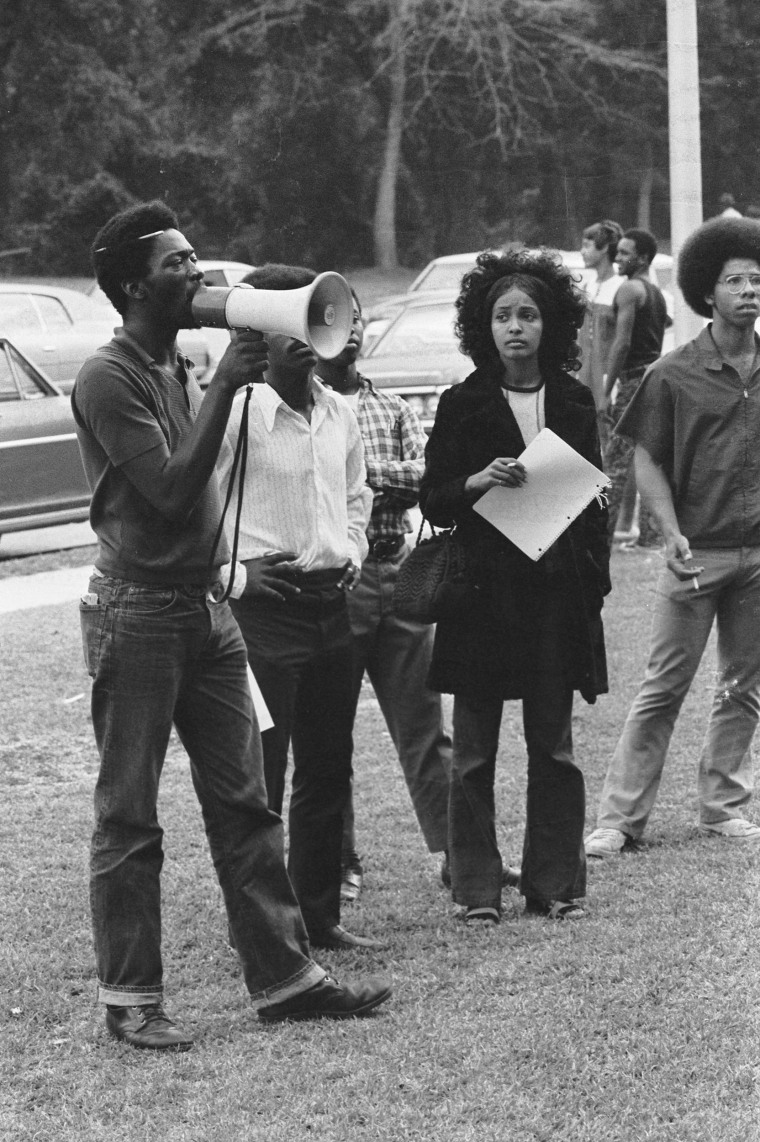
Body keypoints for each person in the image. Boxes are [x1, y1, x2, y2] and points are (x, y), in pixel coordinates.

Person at [72, 203, 390, 1051]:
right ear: (134, 285)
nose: (199, 275)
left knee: (245, 802)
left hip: (205, 610)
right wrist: (226, 386)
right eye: (178, 265)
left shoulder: (177, 364)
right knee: (130, 815)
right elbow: (172, 493)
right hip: (137, 613)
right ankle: (131, 998)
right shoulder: (109, 377)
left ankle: (285, 978)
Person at [420, 248, 611, 926]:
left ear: (550, 324)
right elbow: (434, 498)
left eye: (529, 314)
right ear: (484, 325)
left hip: (554, 597)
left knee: (552, 748)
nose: (516, 328)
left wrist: (593, 584)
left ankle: (554, 884)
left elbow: (589, 499)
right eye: (502, 315)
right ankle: (475, 889)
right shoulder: (462, 401)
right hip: (480, 597)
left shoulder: (575, 400)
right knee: (473, 751)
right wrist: (476, 482)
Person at [217, 263, 381, 953]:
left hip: (329, 610)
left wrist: (351, 555)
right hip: (266, 617)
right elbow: (202, 501)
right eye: (290, 325)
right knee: (263, 776)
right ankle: (263, 928)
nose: (307, 339)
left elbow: (357, 497)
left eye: (315, 322)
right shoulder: (235, 413)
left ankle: (319, 918)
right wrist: (237, 576)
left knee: (327, 767)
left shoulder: (338, 412)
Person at [585, 216, 760, 858]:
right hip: (696, 554)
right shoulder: (674, 372)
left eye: (756, 279)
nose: (749, 290)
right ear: (706, 294)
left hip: (758, 557)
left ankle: (723, 806)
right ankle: (620, 819)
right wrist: (670, 530)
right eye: (734, 280)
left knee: (744, 687)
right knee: (663, 686)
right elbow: (646, 458)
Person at [314, 291, 452, 901]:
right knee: (327, 733)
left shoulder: (390, 405)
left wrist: (360, 478)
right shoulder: (302, 410)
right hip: (336, 584)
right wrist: (373, 479)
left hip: (398, 575)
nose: (348, 332)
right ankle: (337, 864)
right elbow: (318, 487)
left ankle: (458, 854)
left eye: (356, 319)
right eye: (334, 322)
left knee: (425, 726)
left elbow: (425, 477)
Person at [602, 228, 668, 543]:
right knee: (650, 460)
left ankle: (600, 534)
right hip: (656, 379)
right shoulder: (655, 293)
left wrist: (606, 390)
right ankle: (651, 537)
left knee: (615, 461)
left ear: (642, 258)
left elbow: (622, 344)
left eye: (625, 253)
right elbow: (661, 327)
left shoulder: (629, 290)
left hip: (632, 384)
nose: (618, 258)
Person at [577, 219, 624, 447]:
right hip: (586, 372)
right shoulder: (588, 286)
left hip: (607, 373)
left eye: (587, 245)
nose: (582, 252)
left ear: (604, 248)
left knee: (610, 434)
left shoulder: (621, 286)